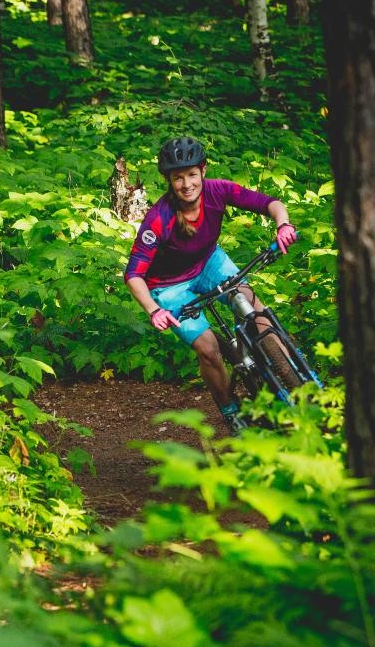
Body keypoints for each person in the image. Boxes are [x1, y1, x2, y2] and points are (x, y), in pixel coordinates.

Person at [124, 136, 297, 433]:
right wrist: (154, 310)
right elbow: (133, 274)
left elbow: (269, 203)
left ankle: (297, 381)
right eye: (178, 178)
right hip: (168, 287)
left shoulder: (218, 191)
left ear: (203, 170)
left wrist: (283, 224)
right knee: (208, 350)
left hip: (209, 263)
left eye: (192, 174)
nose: (187, 184)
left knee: (253, 308)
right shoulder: (158, 219)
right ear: (168, 180)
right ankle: (231, 410)